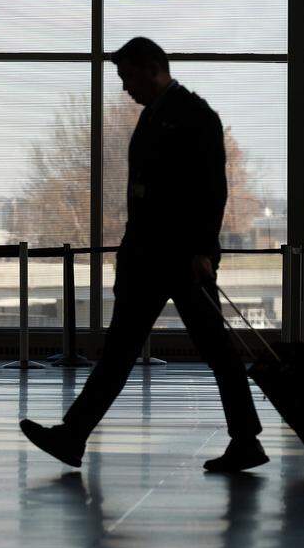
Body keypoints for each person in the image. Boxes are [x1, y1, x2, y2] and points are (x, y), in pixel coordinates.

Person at [20, 37, 267, 474]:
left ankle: (244, 439)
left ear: (153, 69)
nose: (124, 88)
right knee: (131, 351)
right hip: (152, 257)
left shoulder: (194, 116)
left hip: (180, 258)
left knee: (210, 350)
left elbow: (212, 191)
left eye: (127, 77)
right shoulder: (157, 117)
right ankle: (75, 434)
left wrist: (203, 249)